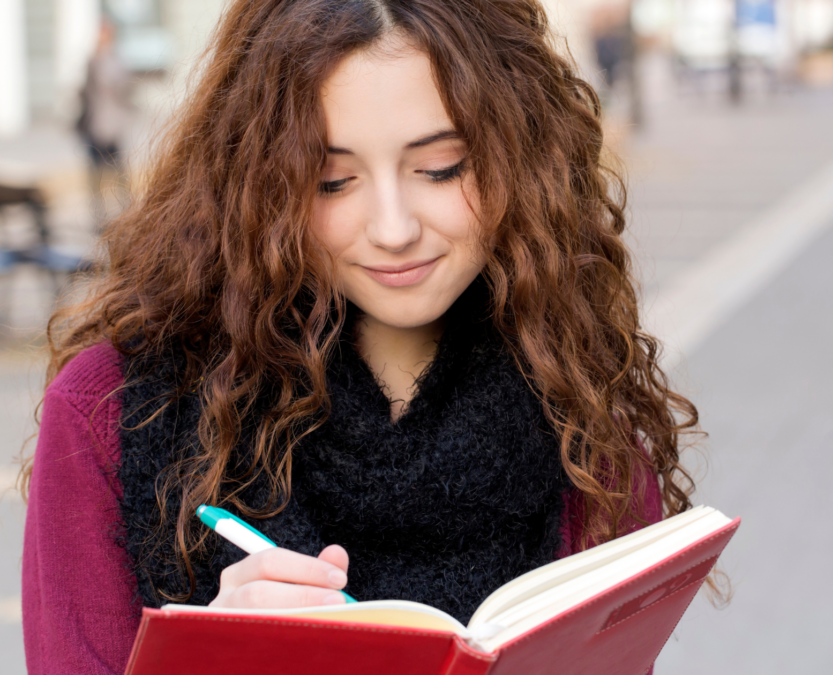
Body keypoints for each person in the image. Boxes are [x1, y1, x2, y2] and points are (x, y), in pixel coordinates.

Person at [21, 0, 706, 673]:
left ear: (522, 160)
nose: (393, 228)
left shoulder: (579, 405)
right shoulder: (114, 410)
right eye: (332, 181)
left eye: (441, 168)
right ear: (258, 182)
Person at [75, 20, 133, 229]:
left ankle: (126, 212)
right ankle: (99, 215)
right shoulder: (93, 61)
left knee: (118, 173)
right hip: (95, 125)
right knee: (96, 174)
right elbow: (86, 92)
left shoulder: (115, 61)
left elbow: (123, 90)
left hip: (112, 125)